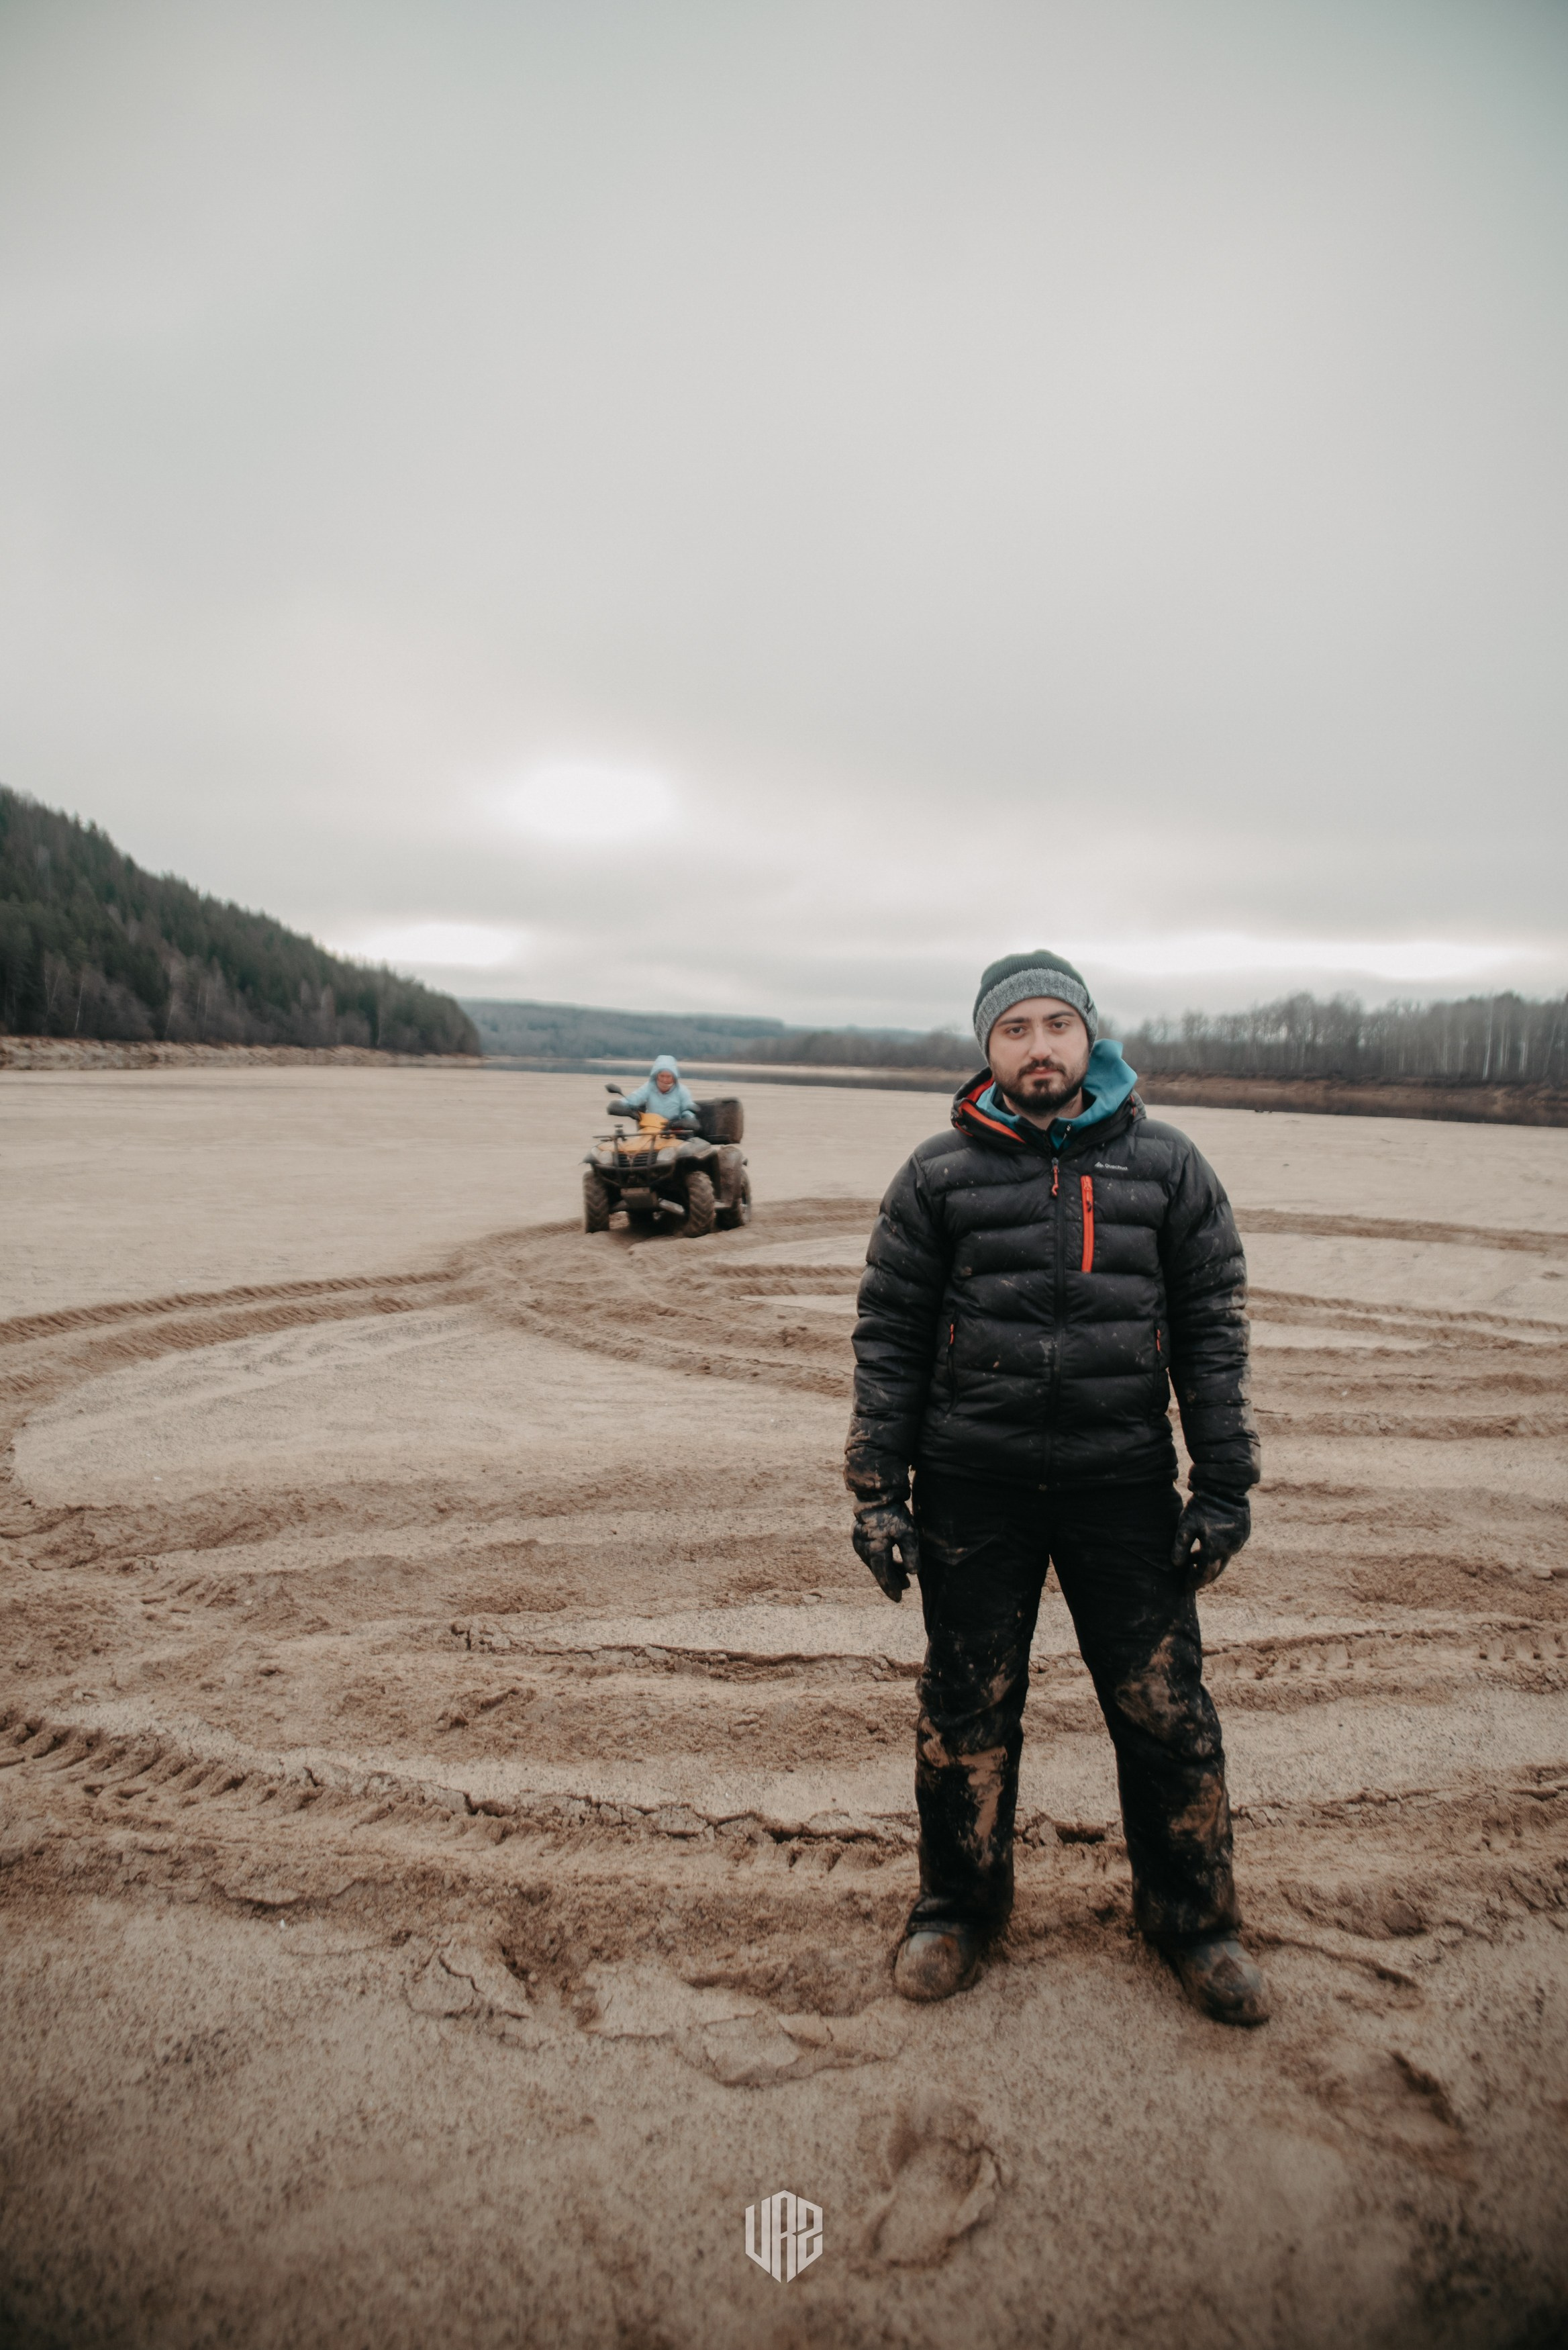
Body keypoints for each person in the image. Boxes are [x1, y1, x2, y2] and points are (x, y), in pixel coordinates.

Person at [845, 950, 1268, 2025]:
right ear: (987, 1050)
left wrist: (1223, 1485)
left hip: (1122, 1486)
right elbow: (889, 1338)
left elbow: (1213, 1338)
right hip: (970, 1489)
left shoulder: (1167, 1169)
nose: (1039, 1047)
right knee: (967, 1704)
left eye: (1056, 1026)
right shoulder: (939, 1175)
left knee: (1166, 1711)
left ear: (1090, 1037)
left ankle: (1195, 1922)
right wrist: (877, 1488)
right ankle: (956, 1910)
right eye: (1015, 1030)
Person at [608, 1054, 699, 1132]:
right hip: (651, 1131)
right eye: (662, 1076)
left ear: (674, 1077)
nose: (665, 1079)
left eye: (668, 1076)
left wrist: (685, 1120)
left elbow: (689, 1111)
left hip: (675, 1133)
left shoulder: (682, 1091)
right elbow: (632, 1099)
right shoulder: (648, 1087)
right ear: (656, 1075)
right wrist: (622, 1107)